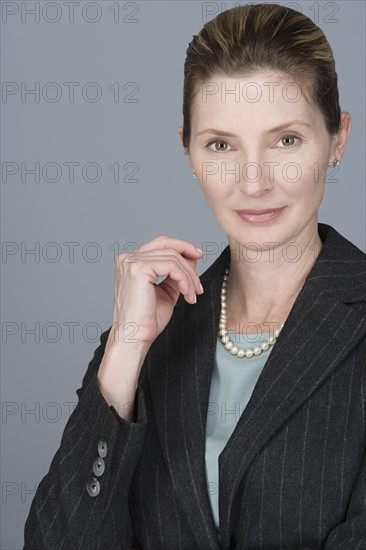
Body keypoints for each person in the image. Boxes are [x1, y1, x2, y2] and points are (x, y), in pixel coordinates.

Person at [24, 3, 366, 549]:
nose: (252, 182)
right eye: (221, 145)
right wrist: (122, 354)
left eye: (285, 140)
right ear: (188, 149)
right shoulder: (150, 340)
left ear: (338, 139)